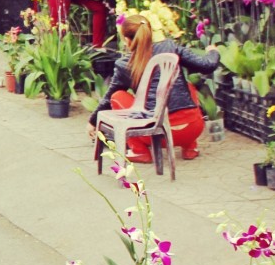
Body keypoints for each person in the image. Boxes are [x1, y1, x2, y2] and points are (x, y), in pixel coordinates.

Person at [89, 14, 220, 163]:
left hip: (155, 135)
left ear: (126, 39)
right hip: (193, 129)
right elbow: (207, 65)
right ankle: (190, 147)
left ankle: (140, 151)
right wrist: (213, 51)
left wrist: (93, 122)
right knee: (185, 86)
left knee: (117, 96)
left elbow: (108, 98)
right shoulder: (170, 47)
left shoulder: (124, 63)